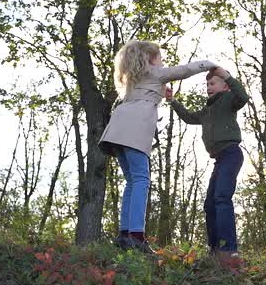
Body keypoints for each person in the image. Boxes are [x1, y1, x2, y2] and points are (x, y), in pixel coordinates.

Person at [99, 40, 218, 253]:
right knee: (141, 179)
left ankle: (125, 235)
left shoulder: (133, 79)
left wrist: (164, 93)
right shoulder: (155, 72)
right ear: (150, 59)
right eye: (159, 58)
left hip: (117, 128)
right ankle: (136, 235)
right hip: (135, 129)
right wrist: (209, 64)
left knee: (132, 181)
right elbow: (184, 70)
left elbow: (146, 94)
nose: (161, 62)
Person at [165, 67, 248, 260]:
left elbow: (243, 97)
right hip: (219, 159)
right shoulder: (207, 110)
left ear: (225, 86)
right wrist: (172, 100)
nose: (208, 87)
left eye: (213, 83)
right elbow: (188, 117)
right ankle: (214, 249)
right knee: (209, 204)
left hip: (231, 154)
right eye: (207, 84)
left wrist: (227, 75)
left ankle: (229, 249)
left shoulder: (229, 100)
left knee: (221, 198)